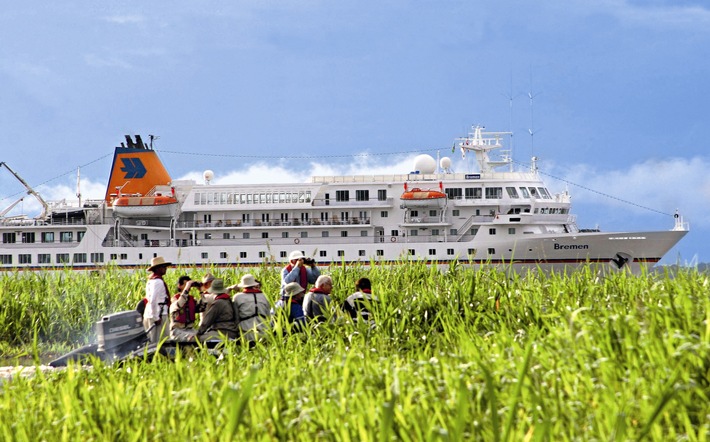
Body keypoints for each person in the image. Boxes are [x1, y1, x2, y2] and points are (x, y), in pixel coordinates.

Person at [228, 273, 272, 343]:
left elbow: (236, 318)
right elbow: (268, 316)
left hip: (246, 333)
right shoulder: (264, 296)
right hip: (263, 332)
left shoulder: (237, 297)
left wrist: (230, 288)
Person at [143, 256, 172, 344]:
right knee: (163, 341)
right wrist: (156, 317)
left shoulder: (151, 281)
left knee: (152, 341)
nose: (165, 269)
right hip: (158, 314)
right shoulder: (158, 282)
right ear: (158, 269)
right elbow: (153, 300)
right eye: (163, 267)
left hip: (150, 314)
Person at [169, 275, 201, 341]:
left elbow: (202, 308)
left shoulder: (191, 299)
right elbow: (180, 304)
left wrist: (201, 290)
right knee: (191, 338)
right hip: (177, 330)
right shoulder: (174, 299)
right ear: (179, 285)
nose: (189, 287)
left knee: (202, 337)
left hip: (190, 329)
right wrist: (187, 287)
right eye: (185, 284)